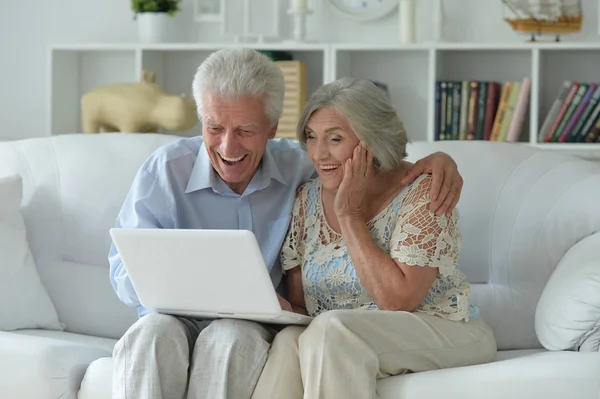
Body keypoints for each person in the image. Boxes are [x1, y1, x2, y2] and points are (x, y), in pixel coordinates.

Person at [108, 48, 465, 399]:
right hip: (171, 317)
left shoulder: (303, 167)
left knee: (229, 337)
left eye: (246, 130)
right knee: (150, 335)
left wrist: (439, 159)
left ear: (272, 128)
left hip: (250, 326)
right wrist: (179, 288)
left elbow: (369, 164)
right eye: (214, 127)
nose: (228, 146)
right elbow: (123, 272)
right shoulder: (165, 169)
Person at [251, 77, 497, 399]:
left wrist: (349, 215)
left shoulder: (424, 191)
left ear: (371, 141)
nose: (319, 153)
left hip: (445, 329)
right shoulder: (306, 199)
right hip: (349, 335)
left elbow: (397, 300)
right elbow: (302, 306)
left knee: (331, 331)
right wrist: (274, 307)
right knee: (288, 340)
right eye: (311, 137)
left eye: (335, 139)